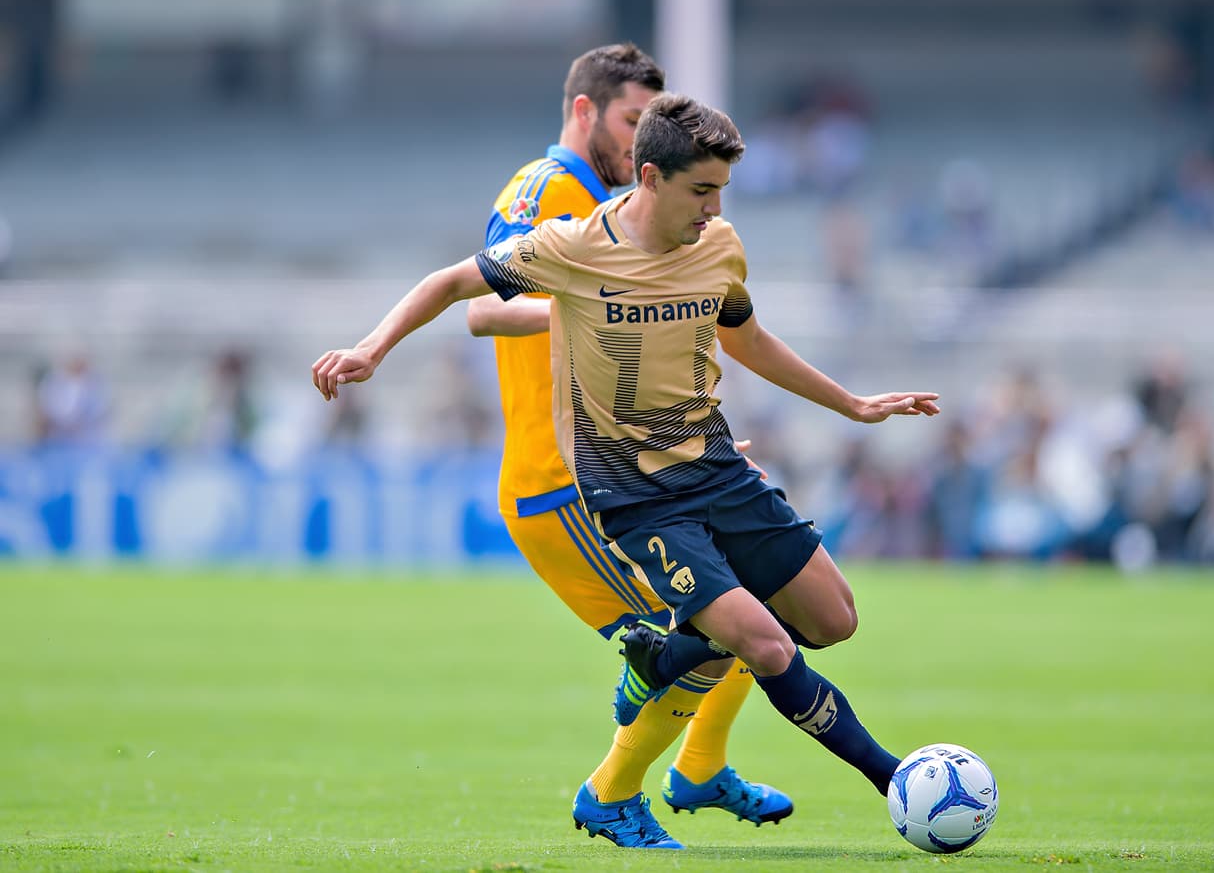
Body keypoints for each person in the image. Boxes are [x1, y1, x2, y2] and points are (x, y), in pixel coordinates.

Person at [311, 92, 941, 836]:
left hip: (716, 467)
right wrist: (371, 349)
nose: (714, 208)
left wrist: (852, 405)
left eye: (721, 190)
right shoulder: (573, 246)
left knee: (835, 620)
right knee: (763, 643)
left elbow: (747, 338)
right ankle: (897, 781)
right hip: (638, 497)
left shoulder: (719, 245)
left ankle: (667, 657)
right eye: (700, 190)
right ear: (650, 177)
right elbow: (453, 286)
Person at [462, 43, 789, 849]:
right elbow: (483, 309)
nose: (642, 136)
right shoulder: (551, 192)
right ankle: (612, 793)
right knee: (711, 635)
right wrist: (592, 303)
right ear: (586, 112)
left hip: (626, 466)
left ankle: (701, 766)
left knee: (752, 606)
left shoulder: (610, 204)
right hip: (565, 482)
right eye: (631, 119)